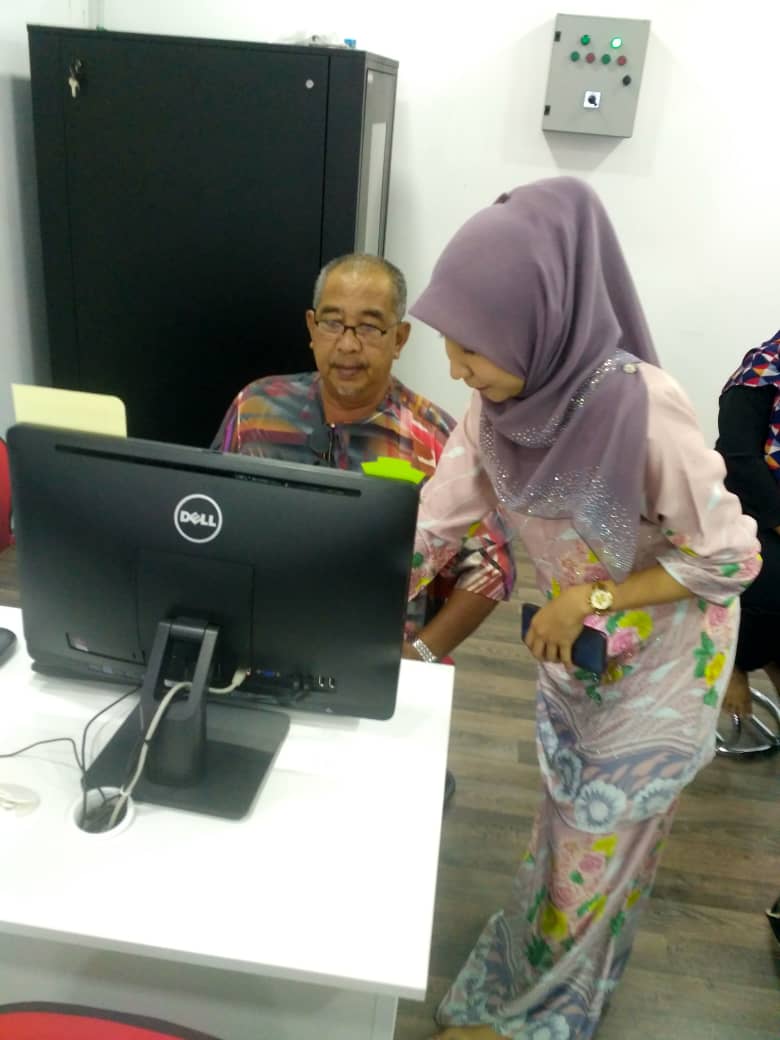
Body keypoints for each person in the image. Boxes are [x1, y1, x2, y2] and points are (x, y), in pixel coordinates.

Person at [404, 177, 761, 1040]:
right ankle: (531, 976)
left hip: (664, 666)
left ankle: (540, 1021)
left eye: (470, 349)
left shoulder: (642, 408)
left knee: (602, 851)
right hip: (582, 659)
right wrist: (355, 593)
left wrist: (592, 596)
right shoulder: (497, 409)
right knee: (567, 834)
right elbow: (434, 524)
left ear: (537, 322)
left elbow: (732, 556)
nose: (454, 369)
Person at [212, 252, 515, 665]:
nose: (348, 344)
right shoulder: (256, 409)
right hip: (257, 642)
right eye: (332, 323)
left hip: (375, 656)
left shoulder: (437, 441)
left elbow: (493, 564)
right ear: (312, 328)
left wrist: (422, 653)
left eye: (370, 327)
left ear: (400, 339)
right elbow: (209, 511)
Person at [716, 332, 780, 717]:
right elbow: (738, 458)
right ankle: (734, 661)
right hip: (750, 507)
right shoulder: (761, 371)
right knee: (771, 583)